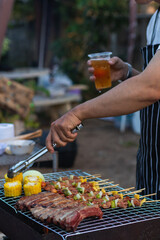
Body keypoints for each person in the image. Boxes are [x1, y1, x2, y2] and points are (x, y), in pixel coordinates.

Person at [46, 0, 160, 199]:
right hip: (152, 157)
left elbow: (151, 87)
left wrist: (77, 113)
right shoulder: (155, 20)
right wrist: (127, 73)